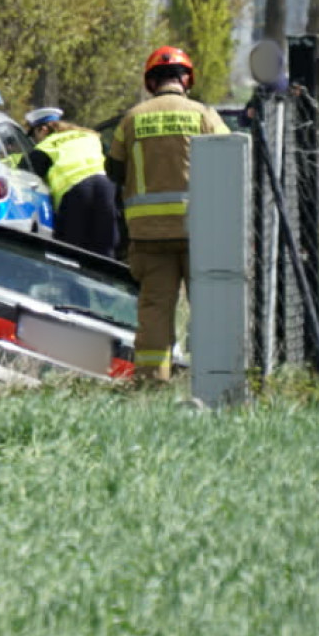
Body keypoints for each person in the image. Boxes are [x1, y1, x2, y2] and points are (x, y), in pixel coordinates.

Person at [105, 46, 230, 385]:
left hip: (148, 236)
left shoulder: (131, 119)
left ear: (150, 82)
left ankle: (150, 384)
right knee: (208, 309)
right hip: (199, 234)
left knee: (155, 314)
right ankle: (212, 382)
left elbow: (113, 170)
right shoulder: (204, 115)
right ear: (187, 78)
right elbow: (230, 161)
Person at [24, 116, 120, 260]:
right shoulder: (89, 135)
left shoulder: (46, 146)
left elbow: (26, 175)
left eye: (33, 135)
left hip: (76, 191)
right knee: (105, 245)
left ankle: (72, 282)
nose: (34, 140)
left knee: (71, 248)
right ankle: (103, 281)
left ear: (43, 129)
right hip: (105, 186)